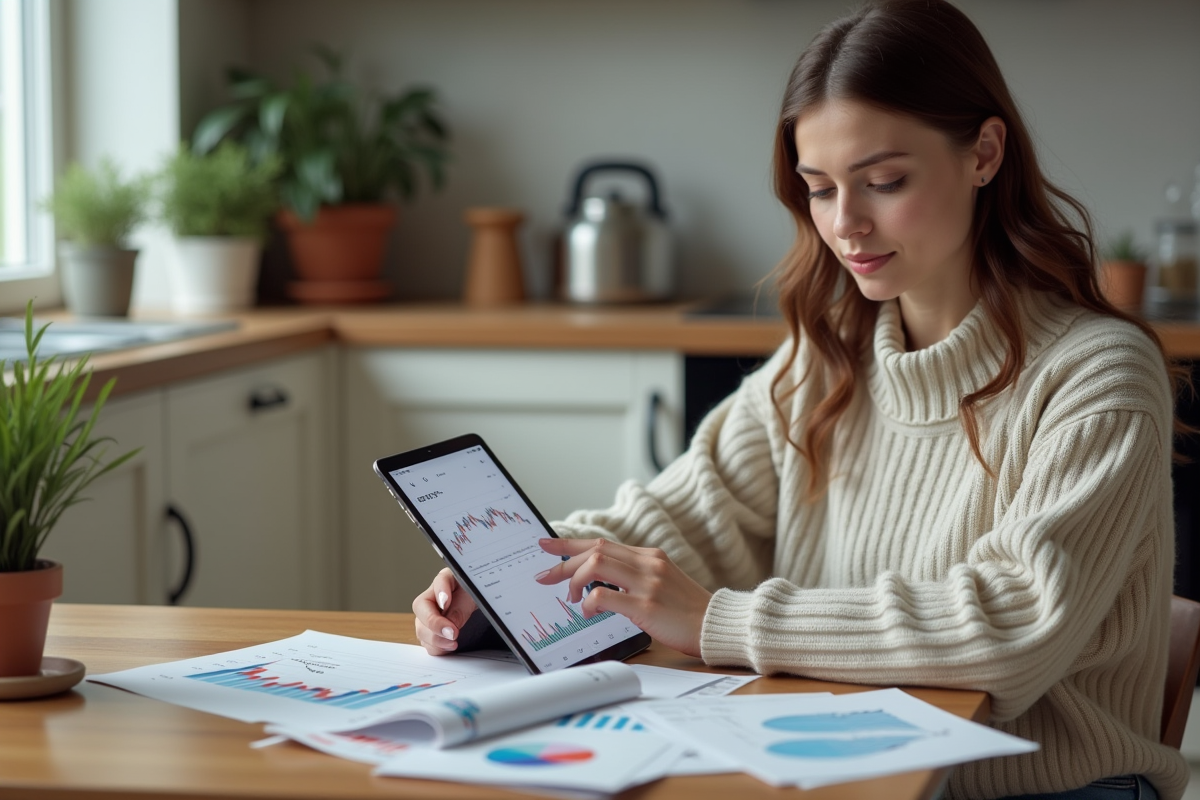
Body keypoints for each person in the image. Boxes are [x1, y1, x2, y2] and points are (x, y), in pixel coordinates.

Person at [413, 1, 1190, 797]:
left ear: (984, 153)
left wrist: (718, 620)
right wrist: (504, 584)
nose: (846, 224)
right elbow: (680, 519)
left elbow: (1010, 628)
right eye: (819, 189)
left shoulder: (1098, 375)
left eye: (884, 182)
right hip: (848, 764)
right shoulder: (828, 357)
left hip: (1042, 788)